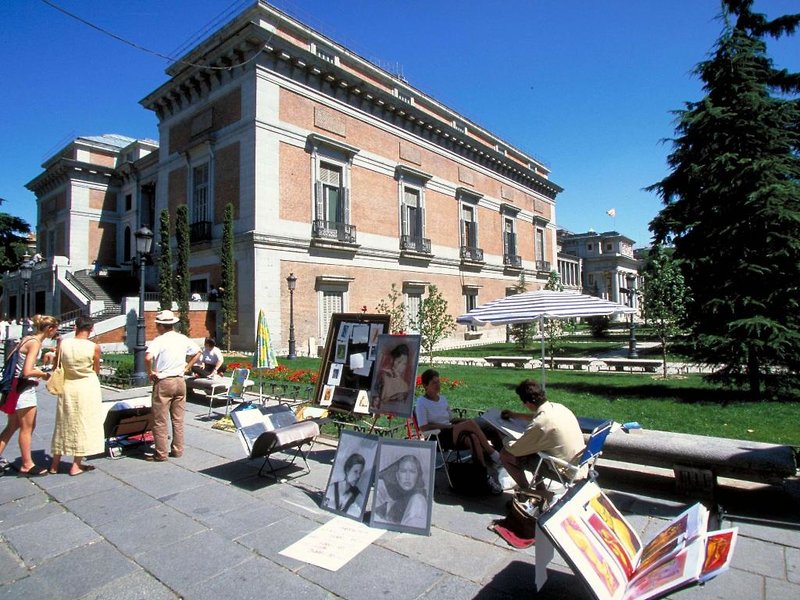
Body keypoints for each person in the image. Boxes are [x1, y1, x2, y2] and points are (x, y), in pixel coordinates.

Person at [414, 369, 503, 494]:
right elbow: (423, 427)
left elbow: (451, 419)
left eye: (438, 382)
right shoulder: (421, 403)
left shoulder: (442, 399)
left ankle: (484, 478)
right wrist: (448, 427)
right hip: (438, 436)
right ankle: (492, 453)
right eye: (434, 383)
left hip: (451, 431)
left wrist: (464, 421)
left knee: (473, 439)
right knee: (471, 425)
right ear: (425, 385)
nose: (438, 385)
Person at [499, 379, 585, 491]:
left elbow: (515, 450)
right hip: (580, 464)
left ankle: (528, 491)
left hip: (566, 472)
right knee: (535, 449)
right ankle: (540, 488)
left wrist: (504, 438)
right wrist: (515, 415)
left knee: (506, 455)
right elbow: (539, 417)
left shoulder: (540, 423)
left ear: (528, 403)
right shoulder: (559, 408)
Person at [0, 315, 60, 476]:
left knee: (12, 426)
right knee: (27, 428)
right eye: (55, 330)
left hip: (14, 388)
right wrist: (44, 375)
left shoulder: (27, 338)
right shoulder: (35, 344)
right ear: (49, 329)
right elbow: (27, 371)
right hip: (24, 390)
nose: (55, 333)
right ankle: (27, 464)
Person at [49, 316, 104, 476]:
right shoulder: (94, 347)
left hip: (67, 386)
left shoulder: (63, 343)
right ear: (91, 329)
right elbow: (97, 369)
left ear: (75, 327)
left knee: (62, 423)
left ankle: (54, 464)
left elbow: (56, 366)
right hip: (87, 387)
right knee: (84, 424)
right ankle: (75, 465)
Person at [144, 310, 201, 462]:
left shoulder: (159, 340)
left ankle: (161, 453)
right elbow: (197, 352)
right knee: (178, 419)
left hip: (164, 380)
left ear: (161, 326)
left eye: (157, 324)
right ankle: (177, 449)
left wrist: (151, 372)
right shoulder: (182, 338)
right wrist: (187, 367)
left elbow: (148, 357)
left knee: (160, 419)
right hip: (180, 380)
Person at [373, 454, 428, 528]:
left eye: (412, 471)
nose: (407, 477)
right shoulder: (389, 503)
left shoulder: (418, 500)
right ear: (397, 475)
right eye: (403, 471)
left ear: (418, 475)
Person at [323, 452, 367, 517]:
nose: (358, 476)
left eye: (360, 473)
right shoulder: (332, 488)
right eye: (355, 472)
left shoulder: (358, 496)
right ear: (347, 470)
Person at [374, 344, 412, 414]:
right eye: (398, 362)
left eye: (404, 363)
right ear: (392, 361)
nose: (400, 366)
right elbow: (380, 399)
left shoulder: (405, 386)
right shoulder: (384, 377)